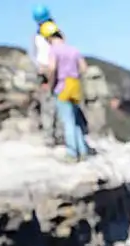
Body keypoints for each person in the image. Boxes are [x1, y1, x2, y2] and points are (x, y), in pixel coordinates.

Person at [40, 21, 92, 162]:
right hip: (74, 85)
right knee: (75, 121)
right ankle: (83, 151)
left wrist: (50, 84)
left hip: (61, 86)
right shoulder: (73, 50)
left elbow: (52, 68)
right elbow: (84, 68)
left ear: (48, 38)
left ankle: (72, 153)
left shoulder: (54, 50)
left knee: (67, 121)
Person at [29, 5, 58, 146]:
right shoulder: (55, 32)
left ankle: (49, 136)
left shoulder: (37, 35)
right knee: (56, 102)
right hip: (54, 70)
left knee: (47, 104)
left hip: (43, 70)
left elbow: (34, 54)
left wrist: (39, 68)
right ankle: (56, 134)